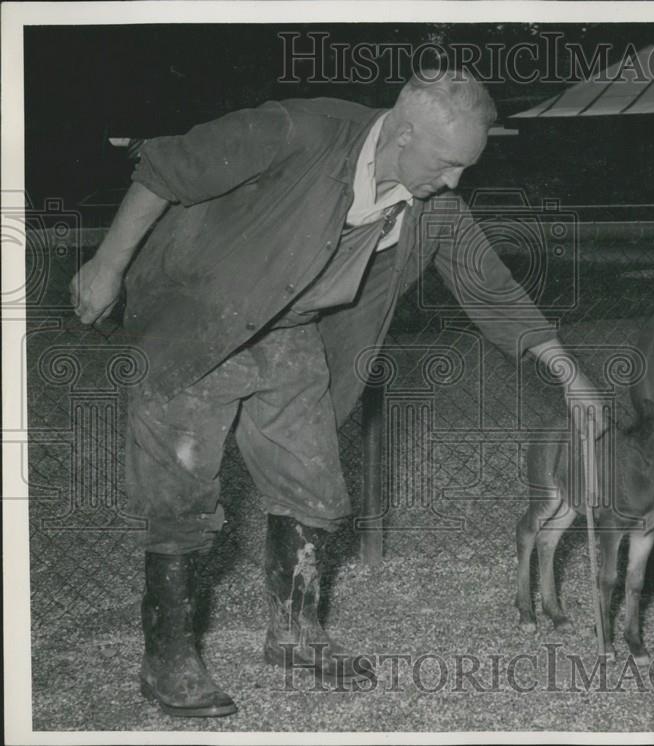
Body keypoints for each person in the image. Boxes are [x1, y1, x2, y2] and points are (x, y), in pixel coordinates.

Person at [70, 69, 607, 718]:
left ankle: (296, 635)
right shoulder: (299, 130)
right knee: (182, 496)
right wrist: (107, 265)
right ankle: (169, 660)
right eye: (449, 163)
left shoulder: (430, 204)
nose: (456, 181)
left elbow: (490, 289)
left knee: (315, 488)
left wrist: (570, 375)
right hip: (197, 317)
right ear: (404, 134)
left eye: (467, 166)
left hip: (289, 334)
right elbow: (164, 168)